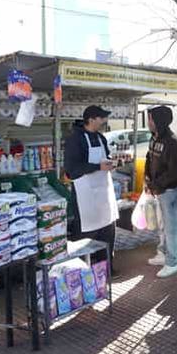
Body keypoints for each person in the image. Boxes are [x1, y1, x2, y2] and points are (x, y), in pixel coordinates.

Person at [64, 106, 119, 269]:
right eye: (101, 118)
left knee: (108, 231)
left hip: (104, 194)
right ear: (91, 119)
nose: (104, 122)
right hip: (85, 198)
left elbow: (105, 156)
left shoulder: (101, 138)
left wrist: (110, 162)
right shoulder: (75, 139)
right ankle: (81, 271)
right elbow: (71, 170)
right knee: (86, 235)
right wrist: (97, 167)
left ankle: (107, 268)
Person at [144, 106, 177, 279]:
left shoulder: (172, 142)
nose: (149, 122)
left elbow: (174, 172)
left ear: (159, 120)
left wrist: (154, 184)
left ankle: (173, 262)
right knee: (163, 226)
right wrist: (147, 179)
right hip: (160, 189)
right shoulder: (154, 138)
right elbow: (149, 158)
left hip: (171, 191)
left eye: (151, 119)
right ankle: (163, 254)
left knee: (172, 228)